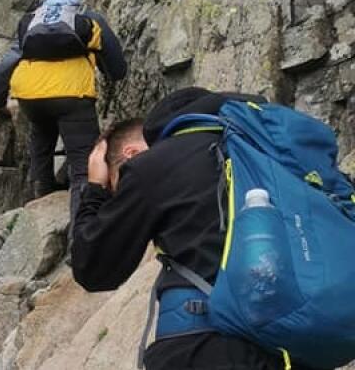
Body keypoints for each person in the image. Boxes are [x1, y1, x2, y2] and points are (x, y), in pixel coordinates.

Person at [71, 87, 325, 370]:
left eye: (114, 187)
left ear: (131, 154)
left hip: (206, 347)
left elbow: (92, 268)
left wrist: (94, 190)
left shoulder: (154, 164)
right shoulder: (273, 149)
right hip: (302, 343)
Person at [0, 0, 126, 237]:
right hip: (73, 97)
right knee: (83, 166)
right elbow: (117, 68)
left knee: (41, 143)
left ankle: (41, 205)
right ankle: (80, 236)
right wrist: (106, 70)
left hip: (30, 96)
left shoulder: (32, 24)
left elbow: (1, 70)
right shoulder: (89, 21)